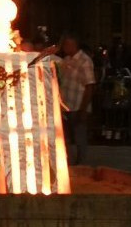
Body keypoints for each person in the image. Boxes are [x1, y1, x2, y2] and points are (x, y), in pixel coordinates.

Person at [40, 31, 96, 166]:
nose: (64, 47)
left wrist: (83, 110)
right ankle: (69, 163)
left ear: (74, 45)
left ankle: (82, 165)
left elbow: (90, 86)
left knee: (79, 138)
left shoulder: (85, 61)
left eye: (66, 45)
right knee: (67, 138)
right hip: (67, 106)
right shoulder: (66, 60)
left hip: (78, 106)